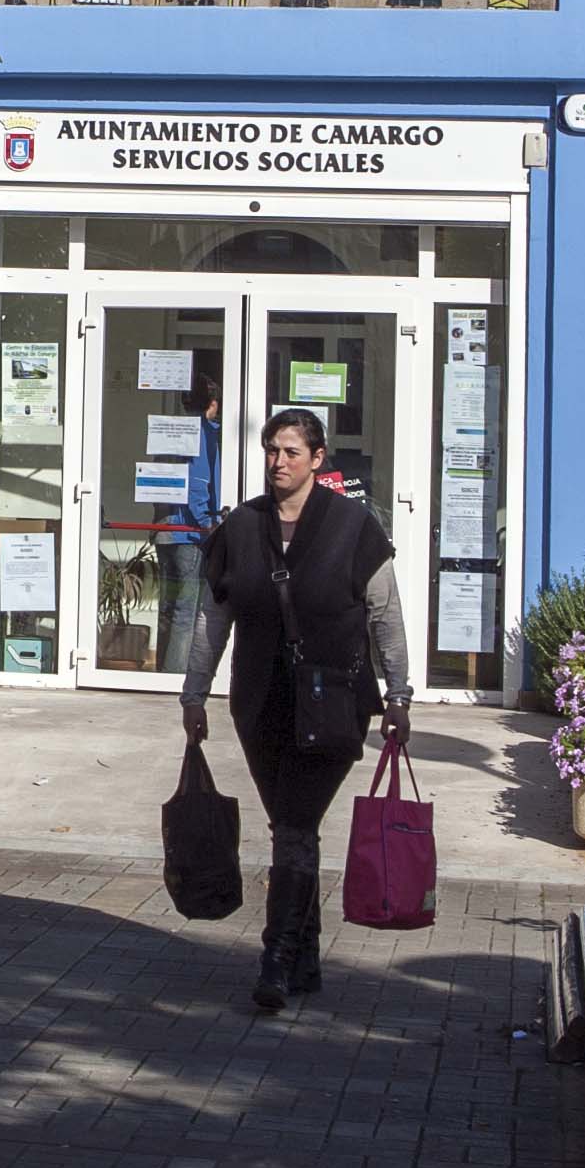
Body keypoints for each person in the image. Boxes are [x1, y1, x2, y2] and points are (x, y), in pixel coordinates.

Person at [180, 406, 415, 1013]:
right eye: (271, 450)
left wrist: (399, 695)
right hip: (259, 704)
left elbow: (385, 616)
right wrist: (194, 693)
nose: (278, 462)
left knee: (292, 824)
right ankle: (305, 960)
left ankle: (277, 959)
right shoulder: (240, 528)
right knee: (294, 827)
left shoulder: (353, 526)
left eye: (290, 452)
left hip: (334, 702)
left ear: (317, 459)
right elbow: (213, 619)